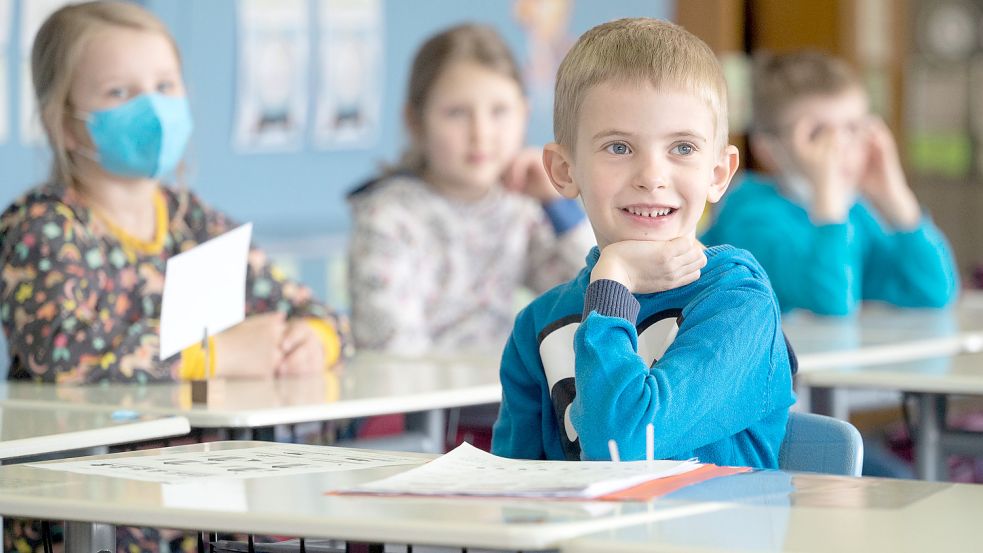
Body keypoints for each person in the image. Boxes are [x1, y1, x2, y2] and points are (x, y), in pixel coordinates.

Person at [1, 2, 348, 550]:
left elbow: (314, 310)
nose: (154, 108)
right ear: (65, 123)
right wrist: (214, 355)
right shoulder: (42, 227)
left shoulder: (193, 220)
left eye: (165, 85)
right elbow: (64, 356)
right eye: (120, 92)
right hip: (79, 512)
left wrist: (312, 340)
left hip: (196, 511)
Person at [491, 18, 795, 467]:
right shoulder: (537, 325)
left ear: (718, 174)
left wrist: (613, 281)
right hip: (583, 540)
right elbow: (507, 487)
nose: (652, 177)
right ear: (563, 170)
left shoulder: (738, 304)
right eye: (619, 147)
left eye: (683, 149)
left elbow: (624, 444)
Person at [347, 23, 594, 356]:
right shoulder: (389, 217)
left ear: (524, 114)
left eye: (499, 111)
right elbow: (390, 347)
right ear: (415, 122)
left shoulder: (520, 208)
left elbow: (593, 295)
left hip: (503, 397)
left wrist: (556, 202)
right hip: (419, 402)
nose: (481, 133)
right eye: (456, 113)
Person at [701, 51, 959, 315]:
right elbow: (830, 304)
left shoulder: (855, 212)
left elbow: (935, 291)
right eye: (817, 133)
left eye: (853, 128)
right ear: (768, 149)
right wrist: (828, 198)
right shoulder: (750, 217)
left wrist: (897, 200)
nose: (840, 147)